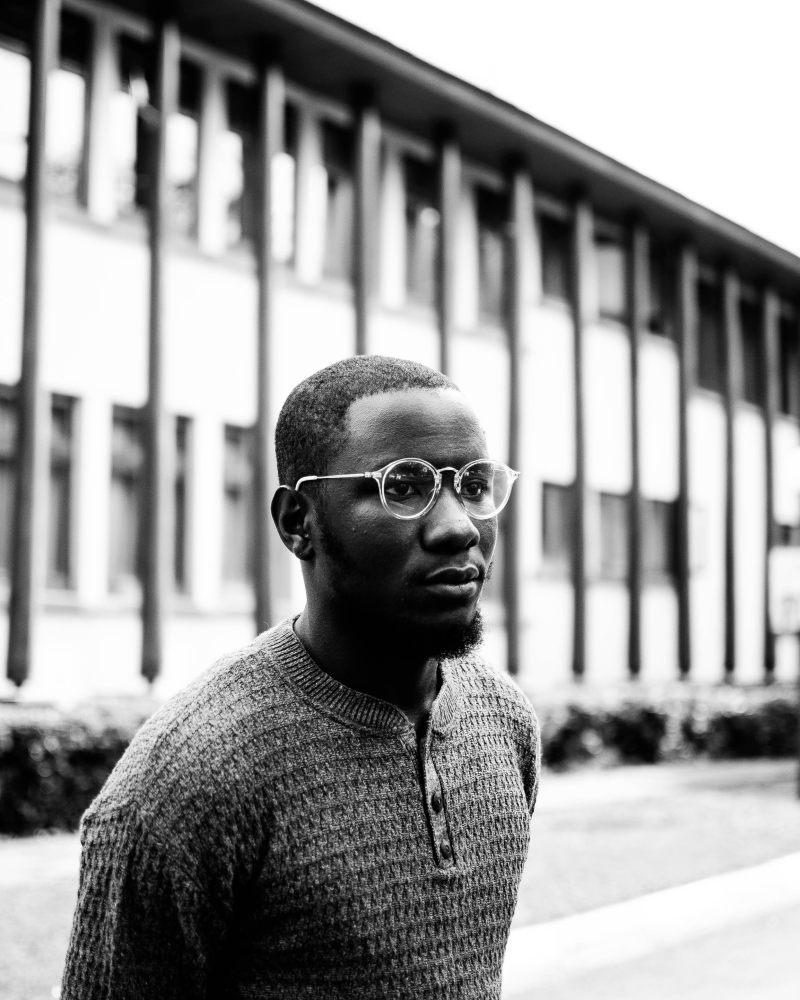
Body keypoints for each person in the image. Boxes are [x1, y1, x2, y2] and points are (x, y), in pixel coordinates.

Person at [61, 354, 540, 999]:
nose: (458, 526)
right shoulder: (191, 778)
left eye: (475, 485)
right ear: (297, 522)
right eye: (402, 487)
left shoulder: (502, 721)